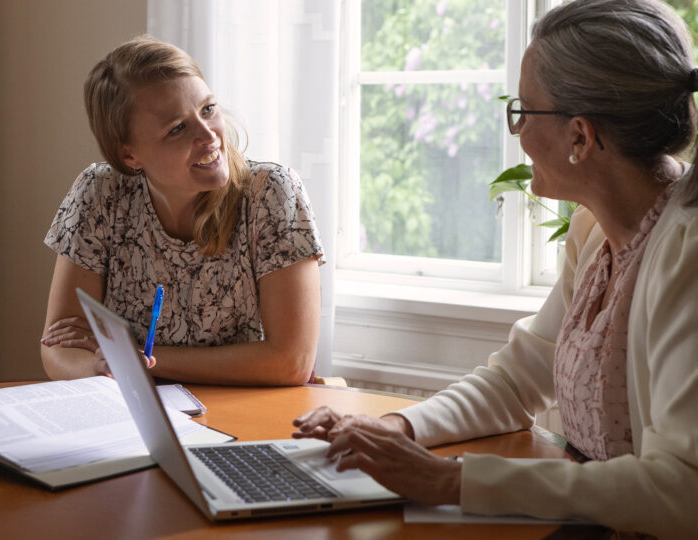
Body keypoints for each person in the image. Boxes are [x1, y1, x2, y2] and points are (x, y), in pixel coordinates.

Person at [292, 0, 698, 537]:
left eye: (524, 112)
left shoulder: (686, 254)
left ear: (580, 136)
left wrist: (449, 481)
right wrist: (393, 427)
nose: (519, 133)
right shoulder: (594, 231)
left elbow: (682, 488)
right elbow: (516, 379)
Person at [40, 36, 324, 385]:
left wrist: (138, 359)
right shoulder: (100, 194)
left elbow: (291, 361)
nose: (210, 136)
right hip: (133, 418)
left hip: (248, 417)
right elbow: (59, 344)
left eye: (208, 109)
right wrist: (99, 369)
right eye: (177, 128)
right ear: (130, 155)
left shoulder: (271, 193)